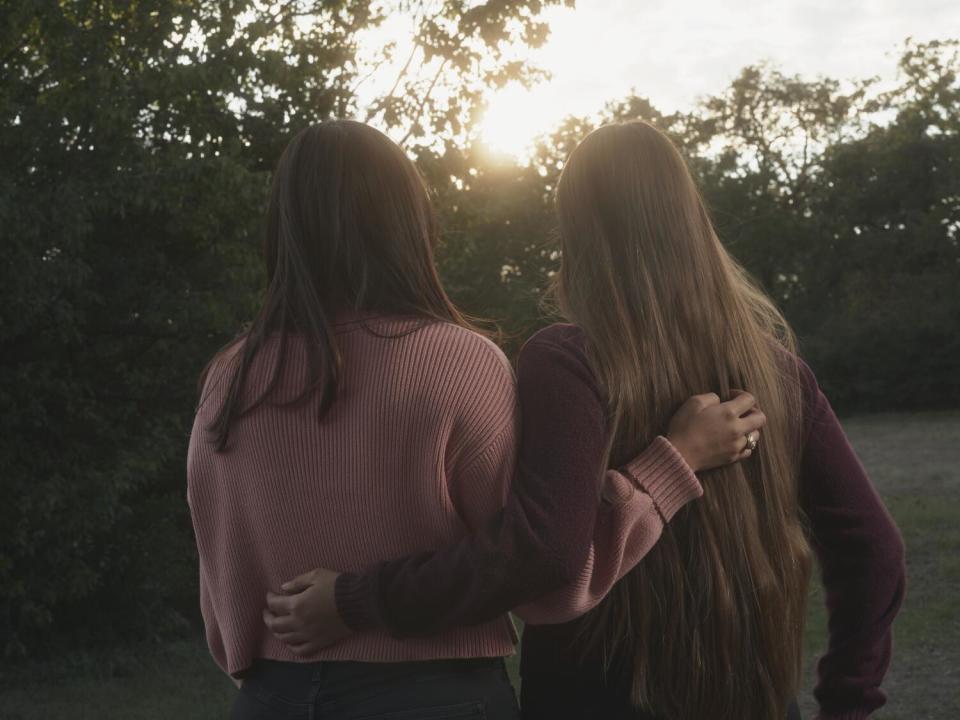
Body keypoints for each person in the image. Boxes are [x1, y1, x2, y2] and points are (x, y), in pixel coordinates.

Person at [267, 121, 906, 720]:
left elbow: (539, 549)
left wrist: (356, 600)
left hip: (589, 698)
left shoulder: (567, 362)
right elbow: (874, 550)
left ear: (577, 230)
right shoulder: (777, 373)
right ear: (690, 218)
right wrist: (848, 702)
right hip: (751, 698)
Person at [187, 120, 763, 720]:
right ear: (408, 220)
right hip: (434, 696)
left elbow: (220, 581)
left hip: (266, 700)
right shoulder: (456, 361)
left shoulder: (229, 378)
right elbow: (545, 568)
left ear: (283, 229)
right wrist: (670, 466)